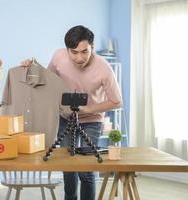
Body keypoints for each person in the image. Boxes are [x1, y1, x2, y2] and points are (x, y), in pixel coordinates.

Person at [21, 25, 122, 200]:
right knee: (68, 165)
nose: (79, 58)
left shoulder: (104, 68)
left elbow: (116, 100)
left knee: (86, 168)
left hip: (91, 120)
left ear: (92, 46)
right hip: (65, 117)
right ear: (67, 49)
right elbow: (47, 80)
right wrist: (32, 68)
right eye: (73, 52)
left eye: (84, 51)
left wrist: (89, 108)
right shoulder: (59, 57)